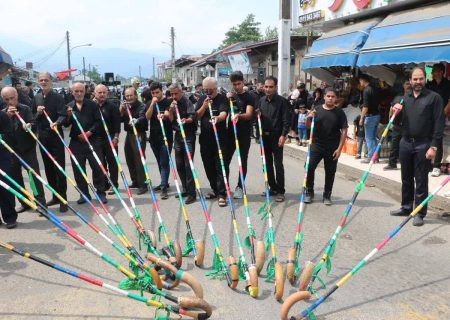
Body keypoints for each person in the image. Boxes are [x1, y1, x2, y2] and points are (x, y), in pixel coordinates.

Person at [390, 68, 445, 227]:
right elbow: (396, 123)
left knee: (420, 180)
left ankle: (419, 212)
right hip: (405, 142)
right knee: (406, 178)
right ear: (410, 80)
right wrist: (396, 112)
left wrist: (434, 146)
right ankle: (406, 207)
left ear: (425, 79)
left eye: (421, 79)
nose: (418, 82)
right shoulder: (404, 98)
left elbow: (439, 123)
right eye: (415, 79)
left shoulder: (434, 98)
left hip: (424, 144)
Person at [1, 87, 46, 213]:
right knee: (16, 178)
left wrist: (29, 125)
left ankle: (41, 204)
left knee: (34, 176)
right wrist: (7, 117)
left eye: (12, 98)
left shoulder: (25, 108)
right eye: (7, 99)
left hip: (27, 150)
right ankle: (24, 202)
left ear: (17, 96)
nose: (10, 101)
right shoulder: (3, 113)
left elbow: (33, 122)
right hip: (11, 151)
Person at [304, 88, 348, 205]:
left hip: (332, 147)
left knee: (330, 172)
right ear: (324, 97)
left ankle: (327, 195)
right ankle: (309, 192)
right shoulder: (317, 109)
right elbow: (308, 126)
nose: (330, 98)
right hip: (316, 145)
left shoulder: (339, 112)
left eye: (333, 97)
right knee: (309, 167)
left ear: (336, 98)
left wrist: (339, 149)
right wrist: (308, 117)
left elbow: (344, 131)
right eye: (328, 96)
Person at [64, 83, 107, 204]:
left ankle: (100, 192)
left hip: (92, 140)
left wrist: (89, 132)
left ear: (85, 91)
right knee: (78, 169)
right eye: (76, 91)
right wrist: (67, 116)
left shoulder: (92, 105)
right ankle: (84, 194)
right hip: (76, 142)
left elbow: (99, 122)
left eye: (81, 91)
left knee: (98, 168)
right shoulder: (69, 107)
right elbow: (66, 125)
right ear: (72, 92)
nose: (79, 93)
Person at [33, 72, 68, 212]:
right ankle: (55, 196)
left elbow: (63, 115)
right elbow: (32, 118)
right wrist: (38, 113)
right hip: (43, 136)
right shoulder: (36, 97)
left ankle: (63, 199)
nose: (43, 82)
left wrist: (57, 123)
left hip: (55, 135)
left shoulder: (58, 97)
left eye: (46, 80)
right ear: (38, 82)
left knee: (59, 168)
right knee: (48, 168)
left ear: (51, 81)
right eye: (41, 80)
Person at [195, 77, 228, 207]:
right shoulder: (202, 99)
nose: (208, 92)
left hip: (220, 139)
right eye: (205, 90)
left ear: (215, 88)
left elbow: (224, 114)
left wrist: (217, 118)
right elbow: (196, 115)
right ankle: (214, 189)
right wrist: (204, 106)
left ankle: (222, 193)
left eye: (210, 90)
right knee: (208, 166)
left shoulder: (222, 98)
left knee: (220, 166)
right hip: (205, 139)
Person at [256, 76, 290, 202]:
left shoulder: (282, 101)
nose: (268, 89)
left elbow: (286, 120)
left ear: (275, 87)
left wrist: (283, 135)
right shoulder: (261, 101)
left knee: (278, 164)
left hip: (277, 137)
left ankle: (281, 191)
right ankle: (273, 188)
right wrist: (257, 117)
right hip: (264, 137)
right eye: (266, 86)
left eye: (271, 87)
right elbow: (257, 119)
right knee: (267, 164)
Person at [225, 71, 255, 200]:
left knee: (242, 161)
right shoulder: (230, 96)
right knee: (225, 160)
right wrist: (227, 99)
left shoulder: (249, 97)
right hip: (230, 133)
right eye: (234, 84)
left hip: (243, 134)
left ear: (243, 82)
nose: (237, 86)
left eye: (239, 83)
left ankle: (240, 187)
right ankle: (224, 186)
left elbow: (248, 114)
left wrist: (238, 115)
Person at [167, 83, 197, 204]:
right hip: (178, 135)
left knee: (188, 165)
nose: (174, 96)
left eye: (176, 93)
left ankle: (192, 193)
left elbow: (193, 116)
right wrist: (171, 109)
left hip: (188, 135)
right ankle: (185, 188)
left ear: (180, 92)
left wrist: (186, 120)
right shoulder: (172, 103)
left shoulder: (186, 101)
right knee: (179, 165)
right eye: (172, 94)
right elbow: (170, 119)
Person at [144, 82, 173, 200]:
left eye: (157, 92)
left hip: (166, 136)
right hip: (154, 137)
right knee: (159, 161)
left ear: (162, 91)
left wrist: (165, 115)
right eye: (153, 93)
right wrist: (152, 104)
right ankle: (164, 183)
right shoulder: (150, 102)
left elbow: (169, 116)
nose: (155, 95)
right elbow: (147, 117)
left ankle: (164, 188)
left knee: (164, 162)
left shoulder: (168, 101)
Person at [120, 87, 148, 195]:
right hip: (129, 134)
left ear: (136, 95)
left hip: (139, 134)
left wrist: (136, 120)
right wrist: (122, 109)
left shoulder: (142, 106)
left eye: (131, 95)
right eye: (127, 96)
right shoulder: (126, 106)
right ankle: (135, 181)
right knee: (129, 157)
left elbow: (142, 117)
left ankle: (143, 184)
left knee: (139, 159)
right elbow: (120, 118)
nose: (129, 98)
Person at [94, 84, 120, 195]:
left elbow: (117, 124)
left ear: (107, 93)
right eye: (99, 92)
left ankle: (114, 185)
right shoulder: (91, 106)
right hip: (96, 139)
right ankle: (104, 183)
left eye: (104, 92)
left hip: (110, 138)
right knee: (101, 163)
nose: (102, 94)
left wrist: (116, 137)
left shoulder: (112, 106)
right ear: (95, 93)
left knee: (113, 163)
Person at [426, 63, 450, 177]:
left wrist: (442, 114)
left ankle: (436, 166)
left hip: (443, 116)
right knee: (428, 139)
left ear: (441, 72)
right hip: (429, 116)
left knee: (438, 140)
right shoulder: (429, 84)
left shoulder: (448, 84)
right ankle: (428, 164)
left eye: (434, 71)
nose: (432, 73)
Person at [384, 79, 411, 170]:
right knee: (394, 145)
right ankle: (392, 163)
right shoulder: (398, 97)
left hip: (408, 126)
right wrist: (390, 121)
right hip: (397, 125)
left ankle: (406, 164)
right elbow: (391, 109)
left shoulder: (413, 98)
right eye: (407, 84)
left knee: (407, 146)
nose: (408, 86)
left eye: (409, 84)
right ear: (403, 86)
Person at [0, 110, 17, 229]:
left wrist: (1, 136)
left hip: (2, 155)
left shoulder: (2, 115)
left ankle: (10, 216)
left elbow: (9, 134)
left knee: (5, 186)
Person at [359, 74, 381, 164]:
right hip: (377, 115)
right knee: (374, 137)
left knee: (369, 137)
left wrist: (361, 118)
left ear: (363, 81)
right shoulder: (375, 88)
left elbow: (366, 106)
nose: (360, 83)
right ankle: (376, 157)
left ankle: (371, 157)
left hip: (370, 116)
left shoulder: (366, 90)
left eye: (360, 81)